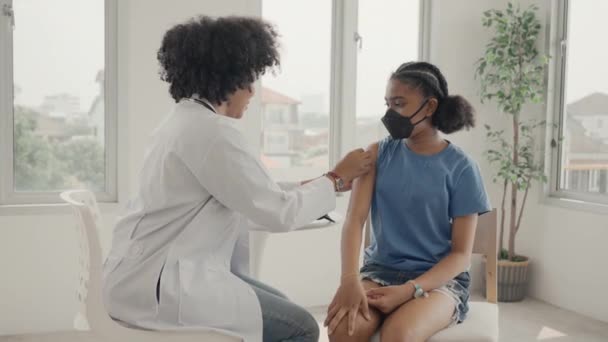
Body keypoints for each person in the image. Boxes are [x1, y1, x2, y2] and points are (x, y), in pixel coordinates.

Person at [102, 15, 372, 342]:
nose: (252, 92)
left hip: (145, 274)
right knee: (301, 326)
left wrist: (316, 185)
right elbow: (277, 213)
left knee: (282, 307)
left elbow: (238, 192)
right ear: (227, 81)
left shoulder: (185, 122)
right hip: (162, 285)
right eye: (248, 81)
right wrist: (335, 176)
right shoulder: (212, 133)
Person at [324, 61, 492, 342]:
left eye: (399, 104)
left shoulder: (462, 167)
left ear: (429, 107)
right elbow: (355, 220)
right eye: (388, 103)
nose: (390, 113)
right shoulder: (376, 154)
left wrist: (410, 289)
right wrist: (349, 279)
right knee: (343, 331)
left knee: (399, 335)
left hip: (438, 281)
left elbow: (461, 255)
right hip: (379, 272)